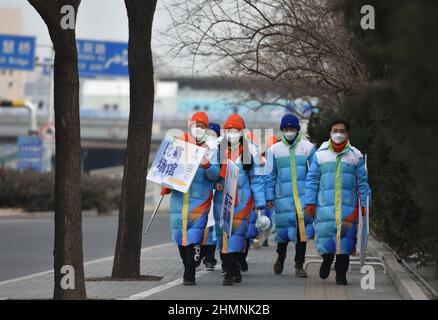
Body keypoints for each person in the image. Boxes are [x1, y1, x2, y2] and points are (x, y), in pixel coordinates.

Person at [304, 119, 371, 285]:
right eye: (335, 130)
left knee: (346, 242)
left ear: (347, 134)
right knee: (326, 239)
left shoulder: (356, 156)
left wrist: (366, 205)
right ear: (330, 133)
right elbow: (312, 180)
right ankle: (326, 261)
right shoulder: (320, 155)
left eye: (342, 131)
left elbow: (362, 183)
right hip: (324, 207)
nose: (339, 134)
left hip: (348, 208)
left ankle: (341, 274)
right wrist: (310, 202)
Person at [160, 112, 220, 285]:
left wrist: (207, 165)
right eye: (196, 125)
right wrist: (166, 184)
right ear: (190, 126)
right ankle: (187, 263)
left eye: (202, 127)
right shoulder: (178, 146)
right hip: (179, 201)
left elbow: (216, 174)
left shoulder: (212, 149)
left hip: (199, 202)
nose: (199, 129)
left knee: (194, 238)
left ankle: (190, 271)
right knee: (180, 239)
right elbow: (166, 170)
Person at [213, 114, 266, 286]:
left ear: (242, 131)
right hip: (222, 201)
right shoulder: (218, 148)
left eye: (236, 130)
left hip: (242, 201)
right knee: (223, 237)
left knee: (236, 235)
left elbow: (256, 178)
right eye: (229, 130)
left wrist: (260, 201)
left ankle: (229, 272)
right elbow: (213, 172)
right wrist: (215, 182)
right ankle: (233, 268)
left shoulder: (251, 150)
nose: (232, 133)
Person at [265, 114, 316, 278]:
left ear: (297, 130)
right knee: (283, 232)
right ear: (282, 130)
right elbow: (269, 175)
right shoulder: (274, 150)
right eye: (286, 129)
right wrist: (269, 197)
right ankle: (281, 255)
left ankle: (299, 264)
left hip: (303, 198)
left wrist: (312, 197)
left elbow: (314, 173)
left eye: (292, 129)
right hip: (283, 199)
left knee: (302, 233)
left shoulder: (308, 148)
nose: (289, 132)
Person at [197, 122, 222, 271]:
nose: (211, 136)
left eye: (214, 134)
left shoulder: (220, 150)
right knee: (200, 225)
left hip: (215, 192)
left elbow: (222, 169)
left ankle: (210, 258)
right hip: (201, 192)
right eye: (209, 133)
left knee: (212, 226)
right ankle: (199, 253)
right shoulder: (198, 148)